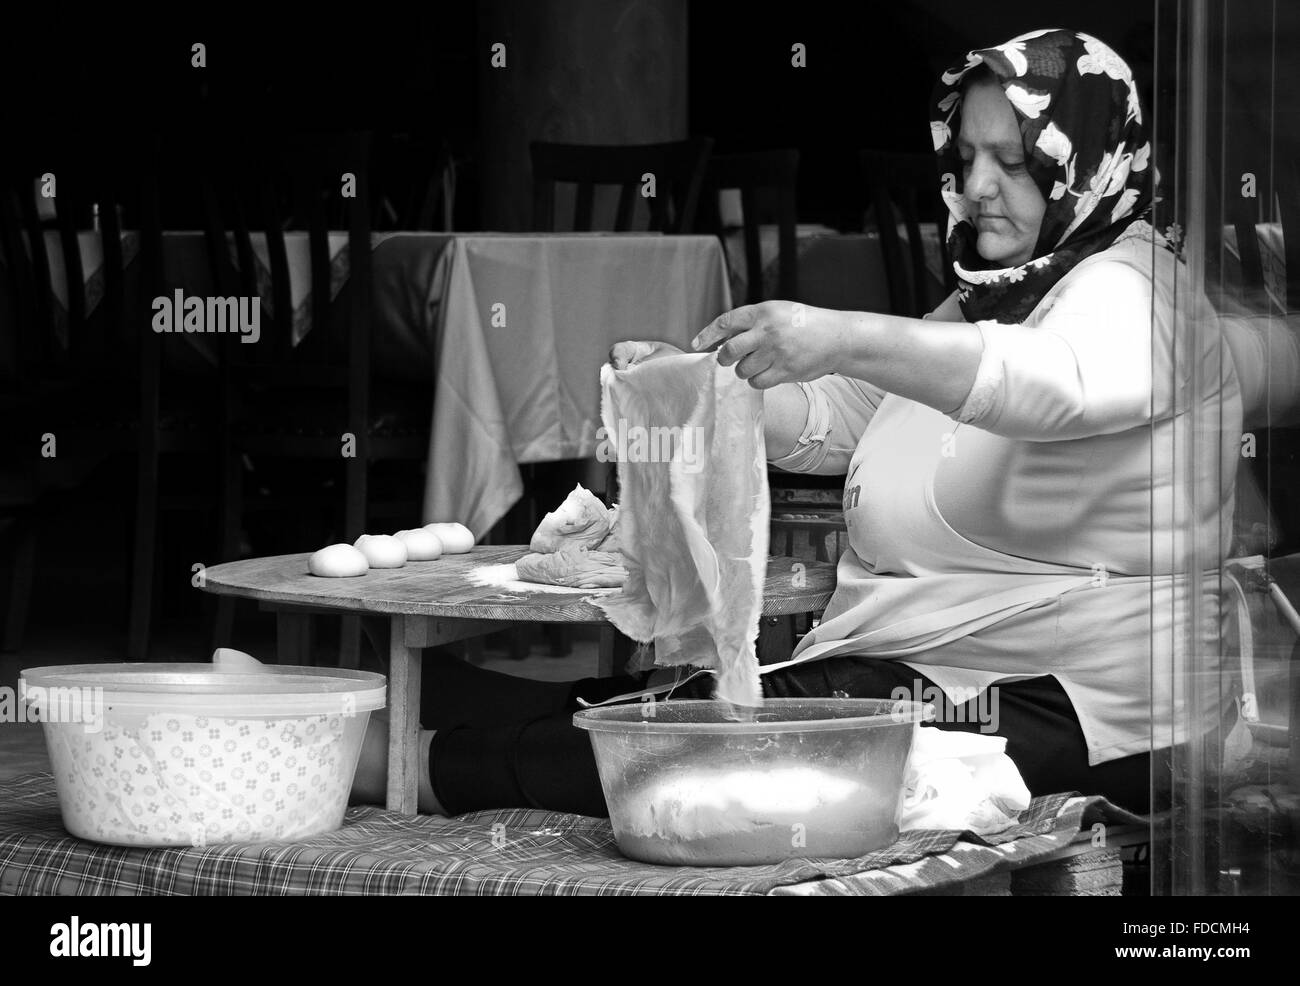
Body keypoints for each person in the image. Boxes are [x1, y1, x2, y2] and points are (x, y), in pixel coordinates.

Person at [350, 28, 1240, 817]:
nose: (975, 187)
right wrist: (712, 385)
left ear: (1086, 163)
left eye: (1014, 162)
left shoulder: (1138, 292)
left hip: (1073, 703)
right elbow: (851, 414)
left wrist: (835, 333)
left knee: (711, 737)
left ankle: (411, 767)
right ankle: (387, 727)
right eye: (965, 157)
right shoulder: (992, 304)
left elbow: (1051, 386)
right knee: (686, 705)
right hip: (924, 664)